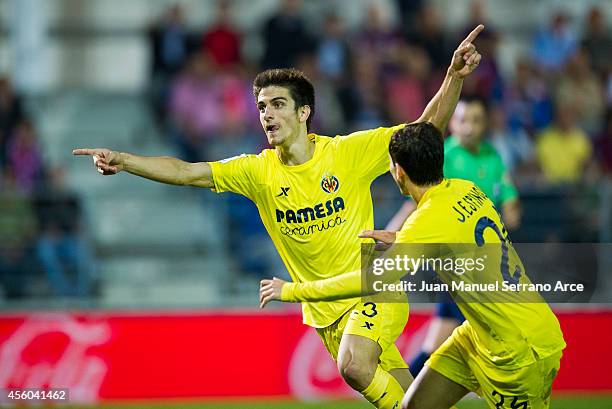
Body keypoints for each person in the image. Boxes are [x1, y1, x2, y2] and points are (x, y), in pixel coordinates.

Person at [73, 25, 484, 409]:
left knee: (355, 366)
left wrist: (454, 77)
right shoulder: (258, 172)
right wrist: (124, 160)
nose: (266, 114)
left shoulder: (346, 153)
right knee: (409, 399)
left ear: (304, 112)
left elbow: (424, 128)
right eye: (261, 106)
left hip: (372, 287)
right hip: (326, 311)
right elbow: (186, 171)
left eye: (277, 105)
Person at [260, 121, 565, 409]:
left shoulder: (426, 221)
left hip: (520, 349)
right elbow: (454, 236)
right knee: (414, 404)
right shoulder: (464, 189)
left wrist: (292, 291)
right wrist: (401, 238)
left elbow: (369, 282)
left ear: (398, 171)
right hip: (477, 335)